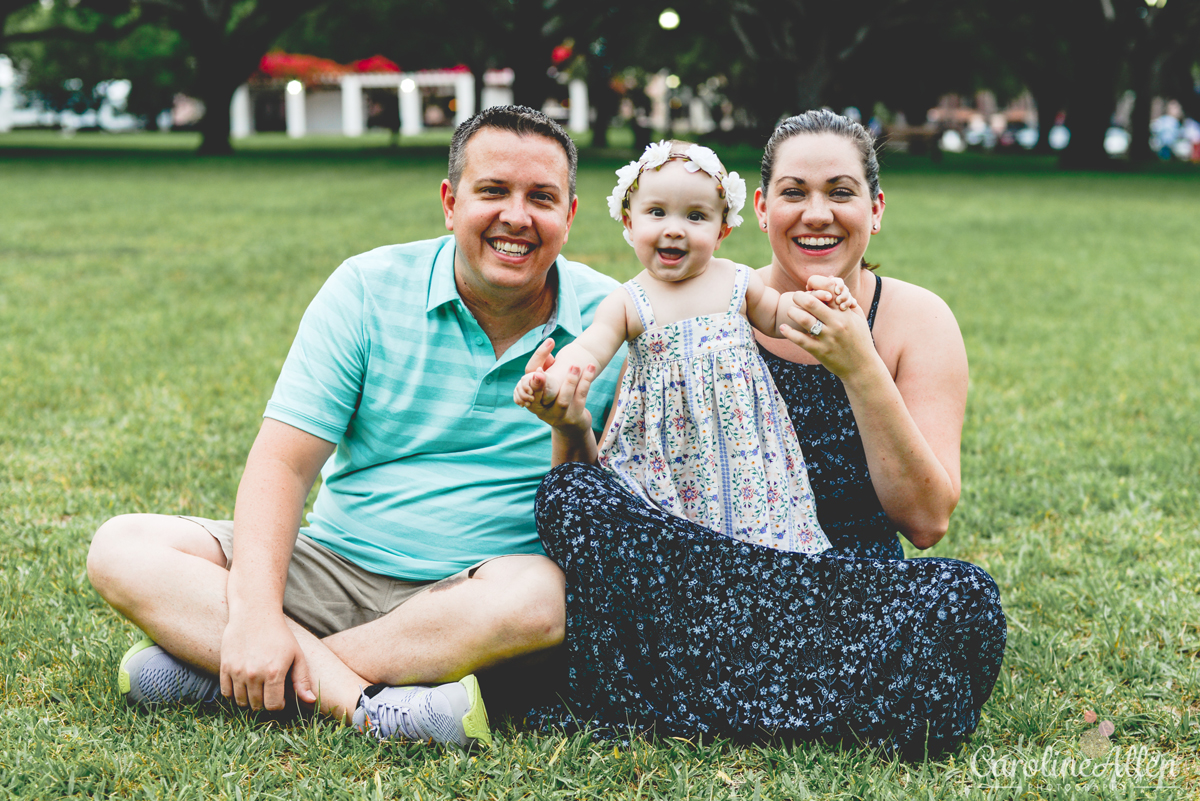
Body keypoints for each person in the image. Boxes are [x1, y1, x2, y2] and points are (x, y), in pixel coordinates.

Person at [85, 105, 624, 749]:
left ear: (569, 214)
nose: (516, 216)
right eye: (492, 191)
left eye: (541, 197)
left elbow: (600, 510)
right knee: (121, 547)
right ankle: (369, 705)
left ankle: (237, 678)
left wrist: (571, 425)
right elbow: (283, 464)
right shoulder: (367, 288)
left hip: (479, 592)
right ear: (451, 202)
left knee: (544, 597)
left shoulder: (611, 323)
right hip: (335, 566)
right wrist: (256, 614)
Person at [525, 109, 1006, 759]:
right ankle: (785, 703)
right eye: (794, 192)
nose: (816, 213)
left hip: (830, 596)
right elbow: (619, 492)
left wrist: (859, 362)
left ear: (876, 207)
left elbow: (925, 521)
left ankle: (691, 696)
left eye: (840, 192)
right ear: (757, 207)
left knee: (964, 597)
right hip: (693, 590)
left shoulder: (918, 320)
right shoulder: (701, 298)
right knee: (569, 493)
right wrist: (570, 423)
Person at [516, 139, 858, 553]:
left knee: (755, 530)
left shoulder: (737, 280)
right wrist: (552, 378)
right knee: (666, 534)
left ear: (722, 231)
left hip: (742, 446)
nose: (674, 228)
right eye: (657, 212)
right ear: (629, 221)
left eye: (696, 216)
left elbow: (778, 314)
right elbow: (589, 349)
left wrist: (816, 304)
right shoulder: (628, 301)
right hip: (662, 449)